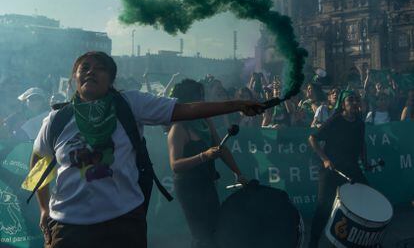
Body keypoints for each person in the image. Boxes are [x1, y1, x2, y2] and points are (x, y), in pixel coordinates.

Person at [30, 51, 263, 248]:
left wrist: (237, 104)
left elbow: (186, 110)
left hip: (122, 224)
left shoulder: (130, 104)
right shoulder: (56, 120)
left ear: (111, 80)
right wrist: (43, 208)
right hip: (68, 227)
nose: (91, 71)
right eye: (85, 68)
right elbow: (38, 161)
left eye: (100, 68)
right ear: (75, 77)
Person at [168, 79, 247, 248]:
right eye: (199, 97)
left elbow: (221, 148)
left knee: (214, 230)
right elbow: (175, 165)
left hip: (207, 182)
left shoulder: (205, 121)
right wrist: (204, 155)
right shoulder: (178, 129)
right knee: (201, 235)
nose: (203, 102)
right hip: (188, 187)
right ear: (189, 101)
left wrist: (238, 173)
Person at [308, 90, 368, 248]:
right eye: (350, 100)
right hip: (331, 171)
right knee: (324, 206)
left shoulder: (360, 123)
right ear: (343, 104)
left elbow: (362, 144)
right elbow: (312, 138)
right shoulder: (335, 121)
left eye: (356, 100)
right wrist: (325, 160)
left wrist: (365, 161)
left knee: (367, 196)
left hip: (352, 169)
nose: (354, 103)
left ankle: (357, 240)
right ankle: (313, 242)